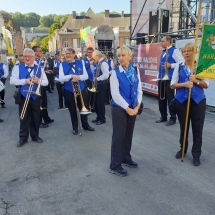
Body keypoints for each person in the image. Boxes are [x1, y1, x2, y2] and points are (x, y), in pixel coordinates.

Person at [171, 43, 209, 166]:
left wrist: (196, 81)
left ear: (194, 52)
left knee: (197, 128)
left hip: (198, 101)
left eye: (189, 51)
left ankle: (196, 154)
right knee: (184, 127)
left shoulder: (200, 66)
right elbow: (173, 84)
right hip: (182, 100)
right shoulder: (179, 66)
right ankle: (183, 149)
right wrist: (185, 84)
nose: (186, 53)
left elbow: (206, 85)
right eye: (184, 51)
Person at [109, 46, 142, 177]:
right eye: (119, 55)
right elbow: (115, 95)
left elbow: (139, 88)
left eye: (123, 55)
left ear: (130, 57)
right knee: (118, 137)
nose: (121, 58)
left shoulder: (135, 71)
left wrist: (137, 106)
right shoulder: (115, 73)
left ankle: (125, 158)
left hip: (133, 107)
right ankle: (115, 165)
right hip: (119, 108)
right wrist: (128, 108)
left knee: (128, 135)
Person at [10, 48, 48, 147]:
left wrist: (38, 80)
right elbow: (12, 81)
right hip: (23, 96)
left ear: (34, 57)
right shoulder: (17, 67)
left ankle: (35, 136)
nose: (27, 58)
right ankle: (23, 137)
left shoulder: (40, 67)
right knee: (23, 117)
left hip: (35, 96)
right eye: (25, 56)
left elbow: (46, 82)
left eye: (29, 56)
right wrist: (25, 81)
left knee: (36, 117)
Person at [59, 47, 95, 135]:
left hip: (81, 88)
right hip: (69, 90)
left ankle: (85, 125)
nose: (68, 55)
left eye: (70, 53)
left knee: (83, 108)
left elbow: (85, 76)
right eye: (66, 54)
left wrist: (78, 77)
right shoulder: (62, 64)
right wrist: (71, 76)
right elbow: (61, 79)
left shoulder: (81, 62)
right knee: (72, 109)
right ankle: (75, 127)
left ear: (74, 54)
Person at [156, 35, 184, 126]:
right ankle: (163, 116)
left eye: (163, 41)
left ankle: (173, 118)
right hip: (162, 79)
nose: (161, 42)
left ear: (168, 42)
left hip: (170, 79)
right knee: (161, 99)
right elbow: (160, 66)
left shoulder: (174, 51)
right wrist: (158, 77)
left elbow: (181, 63)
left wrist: (171, 65)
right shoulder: (163, 52)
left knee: (170, 99)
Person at [33, 46, 54, 128]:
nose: (42, 52)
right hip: (37, 84)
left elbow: (41, 70)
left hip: (42, 82)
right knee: (40, 103)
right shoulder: (34, 61)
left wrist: (46, 71)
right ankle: (39, 121)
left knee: (44, 102)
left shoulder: (39, 60)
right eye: (40, 51)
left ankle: (46, 117)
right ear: (35, 52)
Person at [90, 50, 109, 125]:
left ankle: (102, 118)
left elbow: (106, 75)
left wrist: (97, 79)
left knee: (100, 103)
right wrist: (91, 65)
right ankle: (98, 117)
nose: (93, 58)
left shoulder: (103, 63)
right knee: (96, 102)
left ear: (97, 56)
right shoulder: (98, 63)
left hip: (101, 85)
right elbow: (94, 73)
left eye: (94, 56)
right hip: (97, 84)